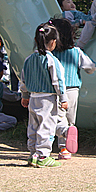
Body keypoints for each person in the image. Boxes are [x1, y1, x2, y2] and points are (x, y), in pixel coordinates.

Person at [20, 21, 68, 168]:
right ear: (53, 42)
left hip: (33, 97)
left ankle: (32, 153)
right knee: (46, 126)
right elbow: (58, 81)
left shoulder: (28, 60)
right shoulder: (51, 60)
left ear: (36, 40)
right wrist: (63, 98)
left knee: (33, 126)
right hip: (48, 98)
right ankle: (42, 156)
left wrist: (25, 95)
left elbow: (23, 79)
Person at [52, 18, 96, 160]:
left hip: (54, 90)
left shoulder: (50, 54)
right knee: (70, 118)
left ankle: (62, 142)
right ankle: (66, 147)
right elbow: (90, 67)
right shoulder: (76, 52)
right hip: (73, 89)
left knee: (58, 118)